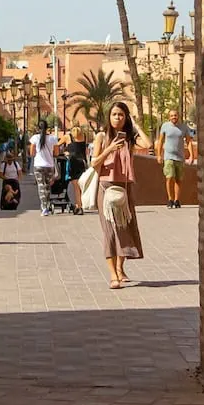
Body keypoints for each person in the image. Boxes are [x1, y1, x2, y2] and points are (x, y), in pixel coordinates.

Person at [89, 102, 144, 288]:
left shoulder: (129, 138)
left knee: (125, 229)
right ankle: (113, 275)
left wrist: (135, 125)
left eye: (121, 115)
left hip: (125, 188)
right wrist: (109, 149)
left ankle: (120, 269)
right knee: (110, 232)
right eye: (114, 114)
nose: (117, 118)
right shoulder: (102, 137)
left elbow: (148, 144)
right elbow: (94, 163)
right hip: (107, 188)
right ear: (109, 117)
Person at [156, 115, 191, 209]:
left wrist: (191, 155)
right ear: (169, 117)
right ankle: (170, 199)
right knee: (169, 177)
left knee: (178, 180)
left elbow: (188, 141)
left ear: (178, 116)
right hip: (168, 157)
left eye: (175, 115)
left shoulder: (184, 127)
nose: (174, 117)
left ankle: (177, 200)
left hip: (180, 157)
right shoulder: (165, 126)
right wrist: (159, 155)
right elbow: (160, 141)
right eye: (171, 116)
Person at [28, 124, 58, 215]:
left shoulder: (35, 138)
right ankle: (47, 205)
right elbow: (56, 153)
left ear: (38, 128)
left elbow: (32, 153)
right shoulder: (53, 138)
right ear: (47, 128)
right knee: (48, 186)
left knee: (41, 186)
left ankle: (44, 207)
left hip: (38, 165)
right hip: (49, 165)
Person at [64, 125, 91, 215]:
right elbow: (86, 150)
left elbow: (57, 145)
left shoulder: (68, 137)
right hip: (82, 162)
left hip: (73, 162)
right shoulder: (84, 136)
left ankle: (79, 207)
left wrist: (65, 152)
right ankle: (79, 205)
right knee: (81, 185)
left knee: (76, 187)